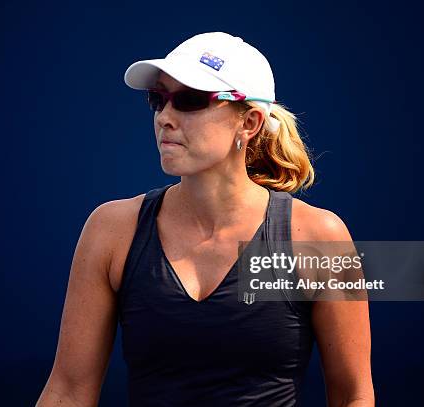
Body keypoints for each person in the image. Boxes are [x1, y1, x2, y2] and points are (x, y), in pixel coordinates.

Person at [36, 32, 374, 407]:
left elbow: (353, 396)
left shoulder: (318, 235)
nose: (164, 117)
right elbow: (67, 392)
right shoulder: (111, 230)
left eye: (190, 101)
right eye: (158, 99)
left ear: (249, 123)